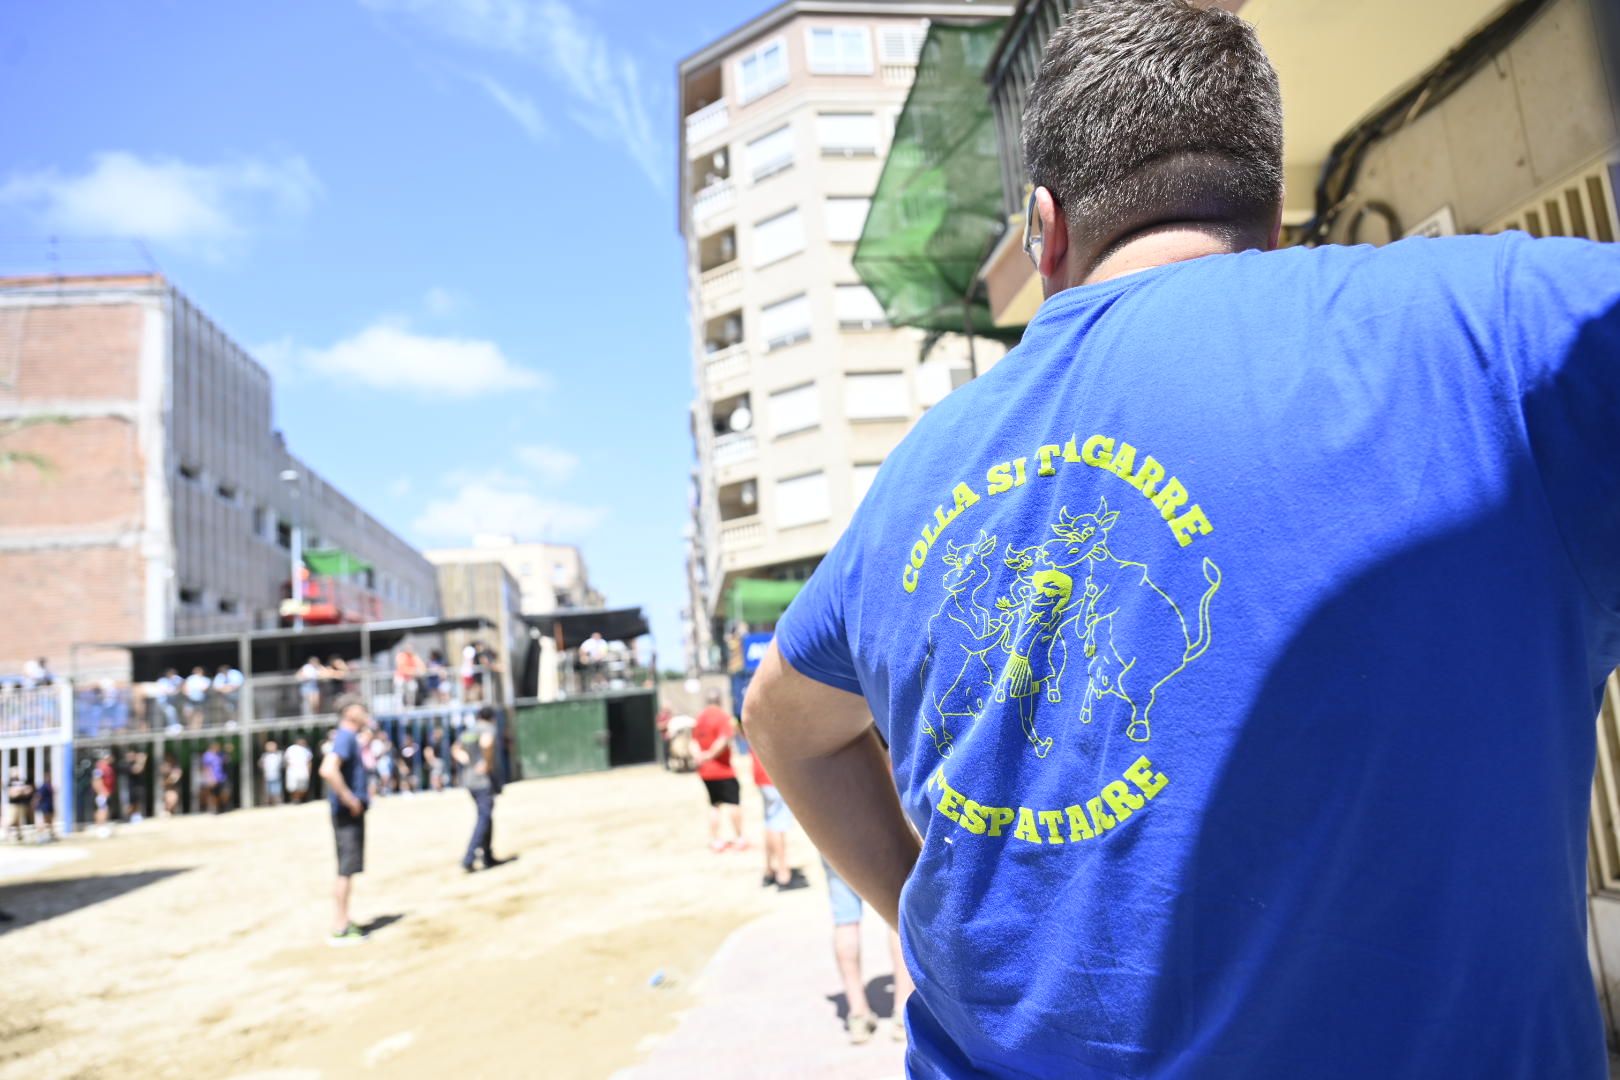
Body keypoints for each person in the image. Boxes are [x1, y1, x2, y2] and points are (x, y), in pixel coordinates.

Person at [741, 1, 1620, 1075]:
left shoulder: (918, 475)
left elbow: (782, 718)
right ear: (1275, 224)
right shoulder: (1495, 328)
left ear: (1044, 227)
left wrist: (920, 909)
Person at [823, 858, 911, 1045]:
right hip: (883, 837)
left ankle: (857, 1014)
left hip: (834, 838)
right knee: (897, 913)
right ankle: (902, 1011)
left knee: (845, 921)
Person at [319, 695, 372, 946]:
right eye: (362, 709)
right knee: (345, 870)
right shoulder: (346, 737)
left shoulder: (348, 737)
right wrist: (350, 799)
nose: (365, 713)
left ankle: (344, 920)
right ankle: (340, 926)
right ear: (350, 712)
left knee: (347, 869)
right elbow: (328, 769)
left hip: (346, 812)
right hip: (347, 813)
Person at [453, 705, 506, 872]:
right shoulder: (488, 728)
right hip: (483, 781)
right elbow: (487, 742)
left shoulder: (470, 730)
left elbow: (455, 749)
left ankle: (487, 856)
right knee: (484, 817)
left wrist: (468, 762)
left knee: (486, 816)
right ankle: (469, 858)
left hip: (469, 780)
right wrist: (486, 764)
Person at [691, 690, 744, 852]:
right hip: (723, 771)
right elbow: (723, 740)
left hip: (705, 772)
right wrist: (709, 755)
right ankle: (739, 838)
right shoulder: (723, 717)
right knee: (734, 803)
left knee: (715, 805)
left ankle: (715, 840)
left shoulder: (700, 718)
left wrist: (699, 757)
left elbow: (692, 741)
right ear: (720, 701)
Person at [752, 751, 802, 890]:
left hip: (763, 773)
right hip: (773, 775)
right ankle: (783, 874)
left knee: (770, 822)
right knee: (777, 824)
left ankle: (769, 870)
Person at [90, 752, 115, 837]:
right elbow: (96, 781)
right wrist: (102, 791)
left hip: (104, 793)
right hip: (101, 793)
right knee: (102, 810)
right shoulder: (99, 768)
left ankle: (102, 826)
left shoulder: (106, 768)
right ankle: (100, 827)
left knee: (104, 809)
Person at [283, 737, 313, 804]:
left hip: (303, 770)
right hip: (293, 771)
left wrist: (309, 771)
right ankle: (295, 799)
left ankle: (299, 799)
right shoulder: (291, 749)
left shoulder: (306, 749)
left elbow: (309, 761)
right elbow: (287, 760)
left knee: (302, 787)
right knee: (292, 787)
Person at [200, 742, 227, 814]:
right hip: (212, 778)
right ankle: (214, 809)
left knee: (222, 793)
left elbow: (225, 760)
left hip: (221, 777)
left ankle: (220, 808)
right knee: (213, 795)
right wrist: (210, 778)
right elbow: (206, 768)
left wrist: (226, 751)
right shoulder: (207, 755)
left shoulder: (219, 754)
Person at [6, 768, 33, 842]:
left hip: (21, 804)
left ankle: (19, 835)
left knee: (20, 821)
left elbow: (29, 791)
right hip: (13, 804)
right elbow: (12, 794)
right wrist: (21, 792)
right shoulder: (10, 782)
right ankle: (7, 834)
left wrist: (19, 792)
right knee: (11, 820)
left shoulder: (23, 782)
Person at [123, 747, 148, 822]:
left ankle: (135, 816)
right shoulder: (125, 764)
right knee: (130, 805)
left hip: (138, 787)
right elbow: (137, 770)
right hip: (129, 788)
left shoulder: (134, 762)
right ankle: (126, 818)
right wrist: (142, 761)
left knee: (137, 803)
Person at [260, 739, 285, 806]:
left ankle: (278, 803)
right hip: (267, 776)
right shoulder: (264, 756)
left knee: (277, 790)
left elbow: (283, 764)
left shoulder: (279, 754)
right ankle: (268, 804)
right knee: (267, 791)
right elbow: (261, 764)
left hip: (277, 775)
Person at [31, 775, 54, 840]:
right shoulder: (43, 787)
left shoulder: (49, 787)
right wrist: (34, 804)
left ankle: (49, 835)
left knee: (49, 822)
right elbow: (38, 796)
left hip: (48, 807)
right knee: (42, 822)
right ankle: (40, 836)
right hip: (44, 807)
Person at [424, 726, 447, 792]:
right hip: (436, 761)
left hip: (440, 761)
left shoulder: (441, 741)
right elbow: (427, 751)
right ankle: (436, 788)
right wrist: (430, 760)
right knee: (435, 775)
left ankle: (437, 788)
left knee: (438, 775)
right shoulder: (432, 742)